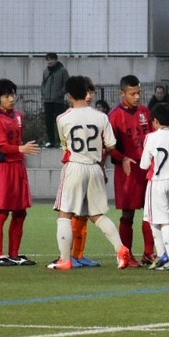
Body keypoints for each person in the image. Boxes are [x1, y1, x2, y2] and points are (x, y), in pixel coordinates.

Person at [47, 76, 136, 271]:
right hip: (95, 167)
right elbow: (111, 145)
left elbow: (66, 146)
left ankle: (64, 259)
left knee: (65, 214)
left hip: (75, 166)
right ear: (86, 92)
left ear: (69, 95)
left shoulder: (62, 118)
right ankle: (121, 250)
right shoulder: (101, 117)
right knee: (98, 215)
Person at [0, 78, 40, 266]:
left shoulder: (18, 117)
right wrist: (20, 149)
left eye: (12, 94)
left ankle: (14, 254)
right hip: (3, 169)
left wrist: (20, 151)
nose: (11, 98)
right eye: (6, 95)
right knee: (2, 212)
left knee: (20, 212)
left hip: (18, 167)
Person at [108, 74, 157, 265]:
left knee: (150, 211)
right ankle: (127, 255)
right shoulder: (115, 116)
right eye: (133, 93)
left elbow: (154, 137)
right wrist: (123, 158)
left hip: (146, 169)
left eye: (139, 93)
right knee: (128, 214)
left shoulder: (145, 112)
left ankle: (148, 252)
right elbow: (109, 147)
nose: (137, 97)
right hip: (126, 171)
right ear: (123, 94)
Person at [140, 103, 169, 270]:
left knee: (163, 222)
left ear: (155, 121)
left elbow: (144, 165)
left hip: (158, 181)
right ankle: (162, 255)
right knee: (154, 220)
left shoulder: (152, 137)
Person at [40, 52, 69, 149]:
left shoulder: (63, 71)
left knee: (60, 122)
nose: (49, 61)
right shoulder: (45, 71)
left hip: (58, 101)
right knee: (48, 122)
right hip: (47, 101)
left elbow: (67, 84)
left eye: (51, 59)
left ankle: (62, 142)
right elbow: (43, 84)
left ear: (56, 60)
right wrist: (44, 93)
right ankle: (51, 141)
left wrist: (60, 94)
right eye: (47, 59)